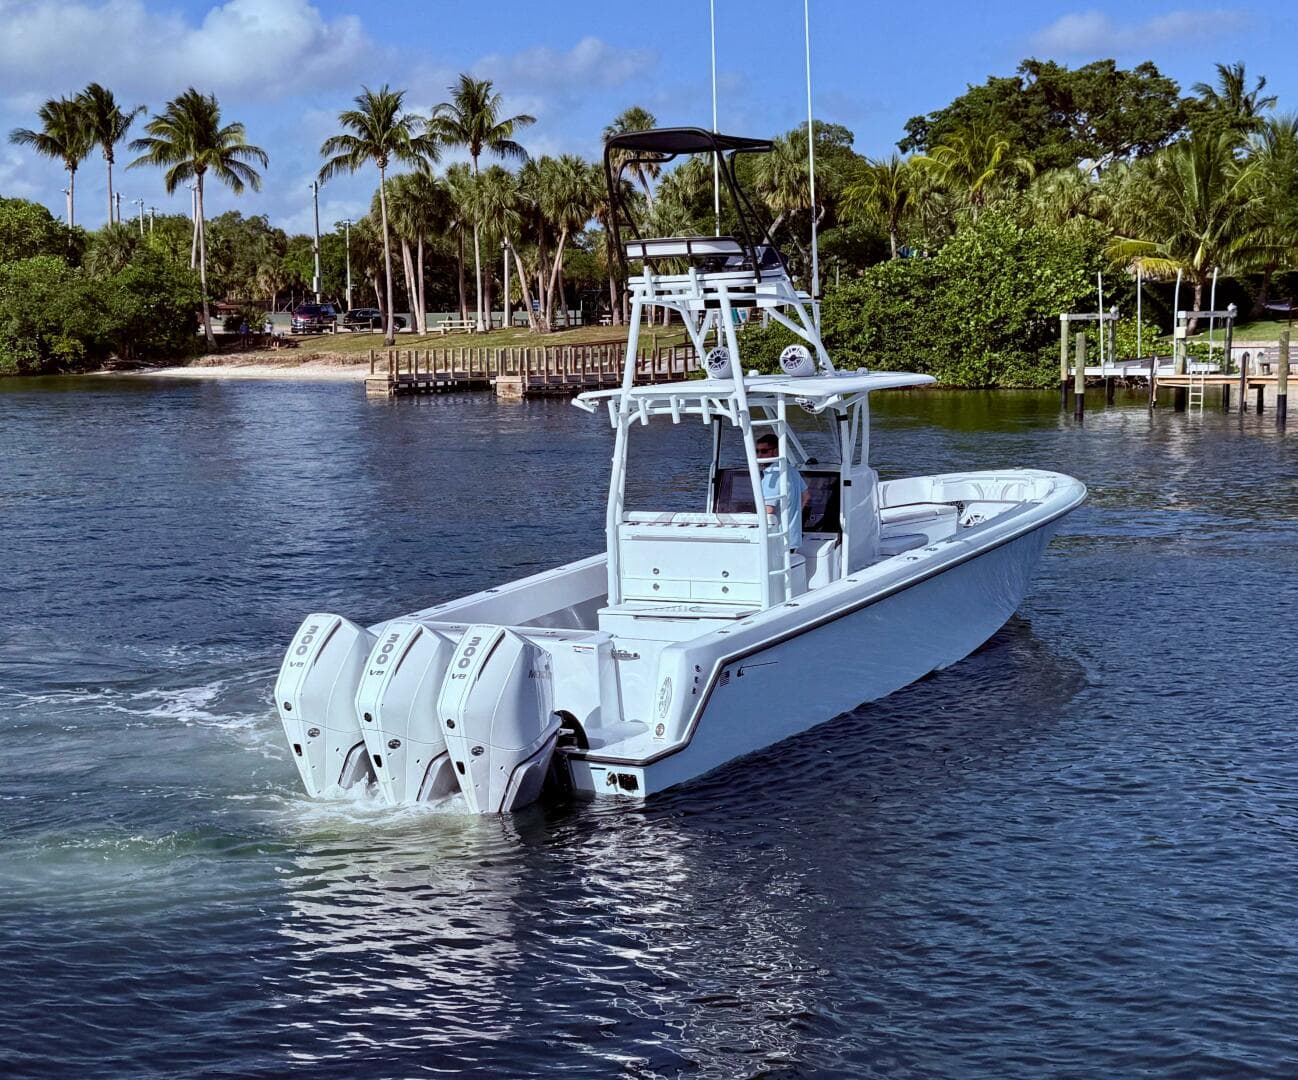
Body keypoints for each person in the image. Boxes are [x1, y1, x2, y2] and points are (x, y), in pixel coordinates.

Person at [755, 434, 809, 550]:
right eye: (757, 451)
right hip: (793, 539)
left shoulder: (772, 476)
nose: (759, 455)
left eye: (764, 451)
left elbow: (768, 512)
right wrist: (792, 514)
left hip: (779, 543)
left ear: (776, 451)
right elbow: (806, 496)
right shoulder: (792, 470)